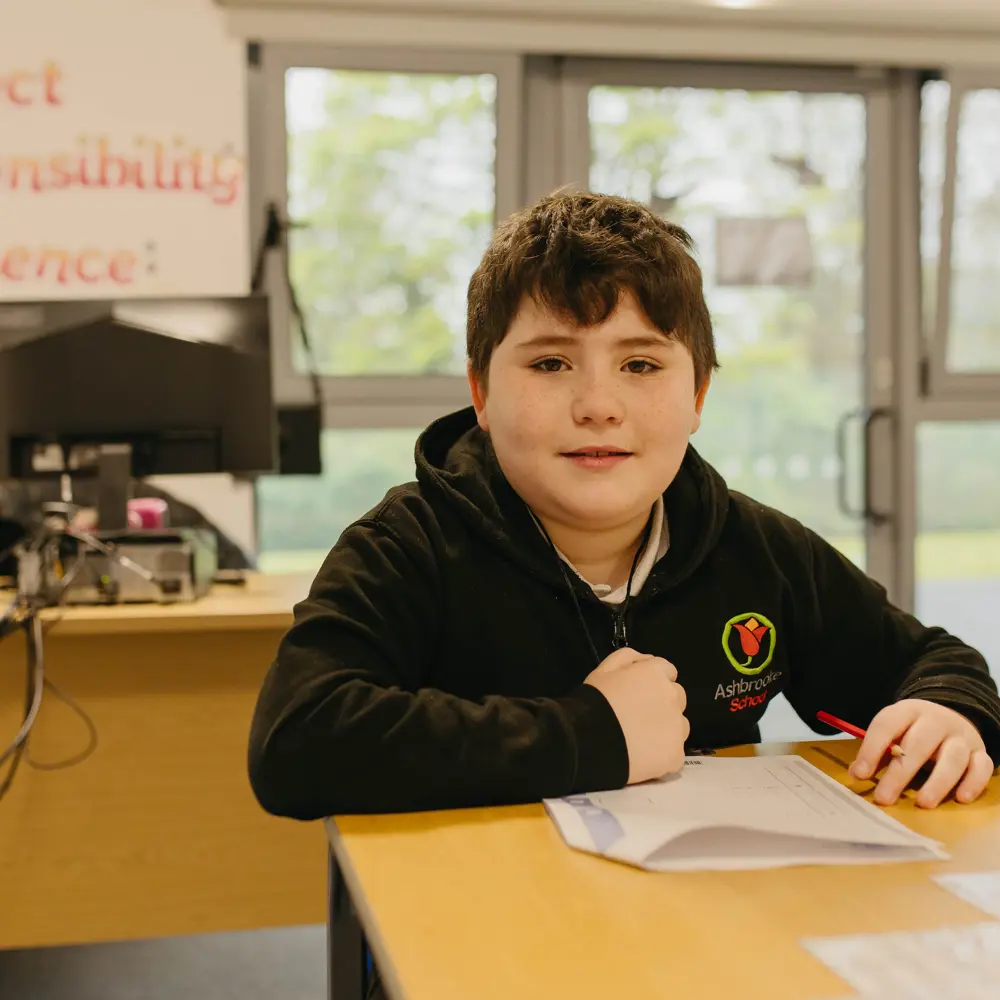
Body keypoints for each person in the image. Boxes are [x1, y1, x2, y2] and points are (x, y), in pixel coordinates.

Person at [248, 190, 999, 825]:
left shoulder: (757, 550)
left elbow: (934, 663)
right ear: (481, 393)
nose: (599, 405)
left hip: (695, 927)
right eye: (550, 363)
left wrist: (952, 711)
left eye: (641, 364)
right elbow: (297, 744)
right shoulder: (406, 547)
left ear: (698, 395)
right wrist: (592, 733)